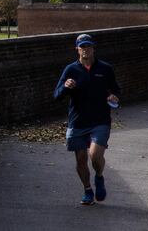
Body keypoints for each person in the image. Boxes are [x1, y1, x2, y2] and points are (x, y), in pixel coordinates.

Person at [53, 33, 121, 205]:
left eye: (88, 46)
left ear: (93, 48)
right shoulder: (71, 70)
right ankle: (87, 190)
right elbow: (56, 95)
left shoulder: (105, 68)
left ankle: (99, 177)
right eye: (82, 47)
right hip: (78, 121)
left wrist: (114, 96)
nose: (86, 50)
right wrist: (66, 87)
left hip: (100, 120)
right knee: (81, 158)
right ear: (77, 49)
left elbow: (116, 89)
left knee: (95, 155)